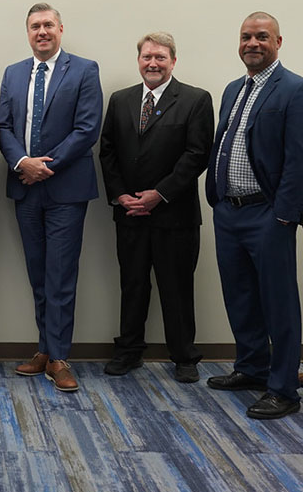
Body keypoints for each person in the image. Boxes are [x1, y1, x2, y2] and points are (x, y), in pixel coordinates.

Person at [205, 12, 303, 419]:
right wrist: (217, 199)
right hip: (229, 212)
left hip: (268, 215)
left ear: (278, 42)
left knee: (278, 302)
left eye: (262, 36)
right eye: (246, 37)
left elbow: (301, 158)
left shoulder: (298, 89)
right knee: (240, 296)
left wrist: (285, 215)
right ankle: (251, 368)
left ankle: (284, 389)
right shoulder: (234, 88)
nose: (252, 43)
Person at [0, 3, 102, 393]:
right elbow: (3, 125)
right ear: (28, 33)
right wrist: (23, 161)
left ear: (61, 28)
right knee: (38, 273)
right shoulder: (14, 73)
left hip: (65, 190)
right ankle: (45, 347)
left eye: (48, 25)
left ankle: (59, 357)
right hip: (25, 187)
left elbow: (87, 128)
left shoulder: (85, 70)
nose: (42, 31)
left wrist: (45, 164)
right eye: (35, 26)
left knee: (60, 275)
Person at [99, 32, 213, 383]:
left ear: (173, 62)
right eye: (147, 56)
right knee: (132, 284)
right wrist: (122, 196)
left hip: (173, 214)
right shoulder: (121, 100)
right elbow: (108, 151)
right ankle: (129, 351)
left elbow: (197, 155)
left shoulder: (195, 99)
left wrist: (158, 194)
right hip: (130, 213)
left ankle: (184, 356)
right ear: (138, 61)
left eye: (160, 57)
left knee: (176, 288)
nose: (153, 63)